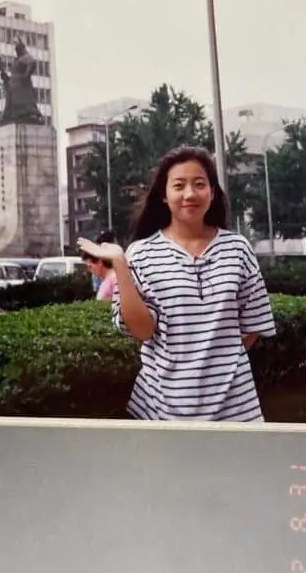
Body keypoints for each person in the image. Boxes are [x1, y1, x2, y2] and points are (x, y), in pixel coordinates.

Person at [77, 145, 276, 422]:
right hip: (162, 410)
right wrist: (120, 264)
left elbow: (252, 327)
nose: (190, 194)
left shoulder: (238, 249)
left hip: (236, 410)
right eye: (179, 185)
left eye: (199, 184)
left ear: (212, 192)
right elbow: (142, 331)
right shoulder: (141, 254)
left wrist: (217, 366)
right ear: (164, 194)